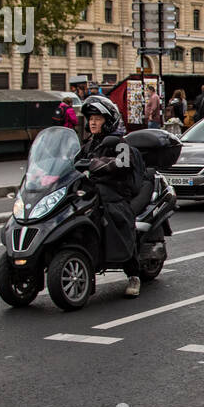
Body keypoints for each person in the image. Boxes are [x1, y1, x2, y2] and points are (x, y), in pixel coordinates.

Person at [76, 97, 146, 298]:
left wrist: (97, 164)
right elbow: (72, 162)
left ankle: (134, 275)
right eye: (90, 118)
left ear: (109, 120)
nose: (93, 122)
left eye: (98, 118)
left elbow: (123, 163)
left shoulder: (120, 142)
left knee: (117, 221)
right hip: (92, 192)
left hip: (115, 194)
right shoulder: (89, 144)